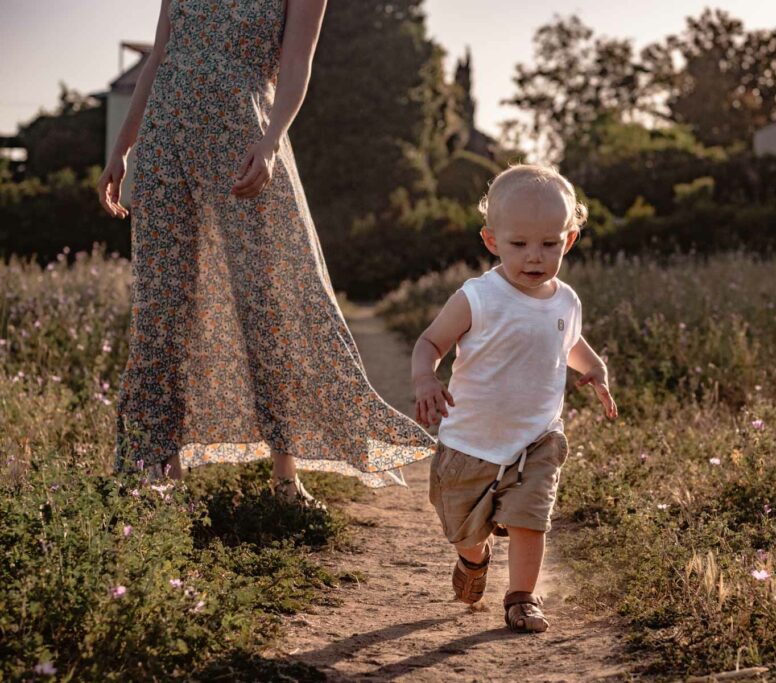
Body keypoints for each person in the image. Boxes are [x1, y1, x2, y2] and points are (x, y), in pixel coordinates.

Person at [96, 0, 435, 503]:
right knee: (162, 304)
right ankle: (157, 475)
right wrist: (122, 149)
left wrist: (273, 140)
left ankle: (285, 477)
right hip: (165, 140)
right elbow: (158, 57)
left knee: (266, 301)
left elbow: (297, 66)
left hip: (244, 140)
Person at [411, 164, 618, 633]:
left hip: (536, 440)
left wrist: (595, 368)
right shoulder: (478, 297)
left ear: (568, 240)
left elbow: (571, 344)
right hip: (469, 443)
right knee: (463, 528)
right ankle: (475, 559)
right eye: (519, 244)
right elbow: (430, 343)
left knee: (531, 520)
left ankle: (522, 597)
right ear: (491, 241)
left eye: (549, 244)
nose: (534, 257)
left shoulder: (566, 300)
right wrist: (426, 380)